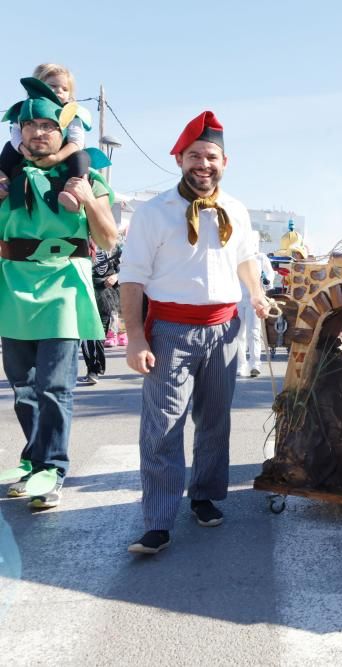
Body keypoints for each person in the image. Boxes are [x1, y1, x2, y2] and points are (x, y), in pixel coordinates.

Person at [119, 111, 268, 555]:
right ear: (179, 159)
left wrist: (257, 294)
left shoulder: (237, 210)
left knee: (215, 420)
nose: (203, 164)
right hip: (169, 330)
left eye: (211, 156)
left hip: (224, 330)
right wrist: (135, 337)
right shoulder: (155, 212)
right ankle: (159, 521)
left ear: (225, 162)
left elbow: (245, 258)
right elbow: (132, 278)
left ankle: (203, 497)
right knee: (163, 426)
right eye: (194, 156)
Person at [0, 78, 117, 509]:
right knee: (23, 386)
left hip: (64, 287)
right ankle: (32, 461)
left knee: (53, 385)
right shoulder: (5, 177)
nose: (37, 132)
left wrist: (88, 200)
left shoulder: (82, 176)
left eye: (46, 125)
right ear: (19, 133)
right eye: (28, 125)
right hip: (13, 287)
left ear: (61, 131)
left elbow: (107, 241)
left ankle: (53, 468)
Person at [1, 66, 92, 212]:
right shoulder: (27, 107)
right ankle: (2, 179)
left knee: (81, 157)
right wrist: (22, 148)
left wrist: (57, 157)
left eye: (64, 89)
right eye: (53, 86)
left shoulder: (71, 112)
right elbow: (15, 133)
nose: (59, 91)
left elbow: (77, 141)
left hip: (65, 152)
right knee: (8, 148)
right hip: (30, 149)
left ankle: (74, 195)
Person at [80, 240, 124, 385]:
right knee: (87, 334)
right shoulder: (80, 239)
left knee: (100, 334)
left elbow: (125, 266)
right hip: (85, 292)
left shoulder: (113, 243)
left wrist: (116, 276)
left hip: (106, 294)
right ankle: (92, 369)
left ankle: (96, 367)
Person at [236, 231, 276, 378]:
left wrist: (267, 281)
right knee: (239, 333)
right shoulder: (237, 258)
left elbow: (270, 274)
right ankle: (241, 364)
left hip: (255, 299)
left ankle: (255, 364)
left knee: (253, 332)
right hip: (239, 299)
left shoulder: (261, 258)